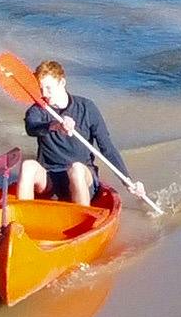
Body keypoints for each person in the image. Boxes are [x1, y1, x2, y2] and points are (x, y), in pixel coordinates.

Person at [15, 60, 144, 209]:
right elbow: (32, 128)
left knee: (75, 169)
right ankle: (24, 217)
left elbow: (106, 147)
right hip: (50, 177)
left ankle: (83, 218)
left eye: (48, 88)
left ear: (62, 82)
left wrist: (127, 180)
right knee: (28, 166)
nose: (44, 94)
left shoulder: (87, 108)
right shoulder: (37, 110)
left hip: (83, 177)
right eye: (41, 88)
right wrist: (55, 125)